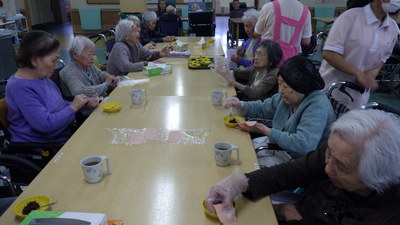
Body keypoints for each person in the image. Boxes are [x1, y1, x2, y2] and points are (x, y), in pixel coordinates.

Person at [206, 109, 400, 225]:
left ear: (374, 179)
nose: (327, 169)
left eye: (341, 167)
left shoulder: (385, 215)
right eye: (328, 153)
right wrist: (238, 181)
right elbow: (291, 172)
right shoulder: (341, 152)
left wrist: (292, 218)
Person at [226, 56, 335, 159]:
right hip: (282, 149)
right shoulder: (289, 96)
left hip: (303, 162)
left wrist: (265, 130)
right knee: (241, 150)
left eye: (285, 86)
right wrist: (241, 105)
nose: (280, 91)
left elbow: (303, 146)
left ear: (300, 87)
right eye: (279, 84)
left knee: (246, 159)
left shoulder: (318, 106)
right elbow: (263, 107)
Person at [5, 31, 98, 143]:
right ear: (35, 60)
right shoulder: (19, 87)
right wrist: (73, 107)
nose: (56, 65)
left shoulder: (41, 77)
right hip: (42, 146)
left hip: (61, 135)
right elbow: (45, 124)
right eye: (53, 60)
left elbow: (58, 105)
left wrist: (82, 104)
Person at [320, 0, 399, 110]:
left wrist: (372, 73)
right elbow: (329, 53)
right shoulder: (350, 17)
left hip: (358, 97)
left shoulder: (392, 28)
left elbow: (384, 57)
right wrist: (358, 74)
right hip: (330, 90)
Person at [216, 40, 282, 101]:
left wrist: (232, 81)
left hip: (257, 109)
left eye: (260, 55)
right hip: (247, 101)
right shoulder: (256, 68)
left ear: (271, 60)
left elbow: (254, 93)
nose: (255, 57)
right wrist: (226, 69)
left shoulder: (274, 75)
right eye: (256, 53)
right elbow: (239, 72)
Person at [254, 0, 312, 65]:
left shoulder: (269, 7)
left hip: (267, 59)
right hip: (289, 62)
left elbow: (257, 33)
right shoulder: (305, 12)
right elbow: (306, 41)